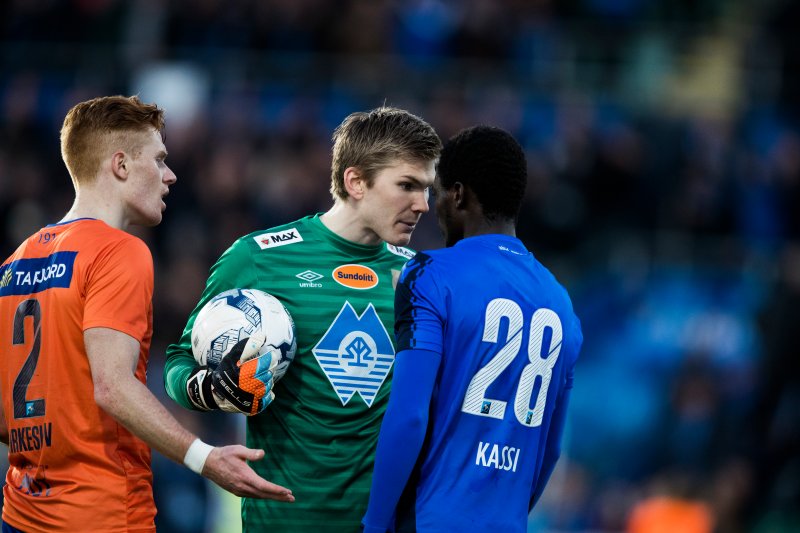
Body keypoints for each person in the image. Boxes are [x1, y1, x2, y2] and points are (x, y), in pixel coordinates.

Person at [0, 95, 293, 533]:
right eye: (158, 159)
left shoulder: (14, 265)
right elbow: (112, 387)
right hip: (102, 514)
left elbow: (6, 420)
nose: (170, 175)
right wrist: (205, 458)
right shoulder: (120, 252)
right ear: (120, 165)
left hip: (20, 513)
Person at [163, 106, 442, 532]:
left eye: (427, 189)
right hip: (283, 521)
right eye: (407, 185)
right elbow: (179, 363)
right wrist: (210, 388)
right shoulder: (259, 258)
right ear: (355, 182)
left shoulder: (421, 277)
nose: (423, 204)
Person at [361, 125, 584, 532]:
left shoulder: (430, 273)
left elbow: (409, 417)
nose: (431, 208)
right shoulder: (561, 303)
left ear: (459, 195)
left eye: (439, 193)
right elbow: (550, 450)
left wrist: (375, 524)